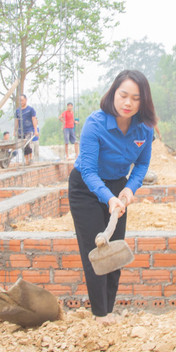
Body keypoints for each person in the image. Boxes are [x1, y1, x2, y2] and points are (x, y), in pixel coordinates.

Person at [69, 70, 156, 323]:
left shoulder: (145, 129)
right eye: (124, 95)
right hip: (86, 187)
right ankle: (100, 315)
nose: (128, 103)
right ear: (113, 94)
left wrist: (130, 189)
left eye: (136, 98)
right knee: (96, 248)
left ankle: (109, 310)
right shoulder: (95, 124)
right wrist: (109, 198)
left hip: (118, 188)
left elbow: (141, 165)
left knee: (115, 250)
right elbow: (87, 169)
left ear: (143, 102)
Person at [14, 94, 39, 165]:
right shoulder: (17, 111)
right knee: (23, 146)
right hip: (20, 131)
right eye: (19, 101)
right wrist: (15, 131)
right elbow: (16, 121)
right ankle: (26, 160)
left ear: (26, 100)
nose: (21, 102)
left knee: (28, 144)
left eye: (22, 100)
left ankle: (31, 158)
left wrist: (35, 130)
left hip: (29, 130)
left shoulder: (30, 110)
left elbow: (34, 120)